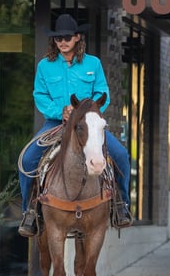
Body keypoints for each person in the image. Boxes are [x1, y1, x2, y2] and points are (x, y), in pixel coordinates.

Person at [18, 13, 132, 237]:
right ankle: (29, 211)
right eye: (58, 38)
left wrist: (84, 112)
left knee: (120, 155)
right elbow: (39, 95)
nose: (62, 42)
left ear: (78, 37)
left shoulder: (93, 63)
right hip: (55, 123)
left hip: (87, 124)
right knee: (27, 159)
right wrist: (59, 111)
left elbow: (103, 94)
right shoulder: (45, 65)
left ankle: (122, 205)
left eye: (67, 37)